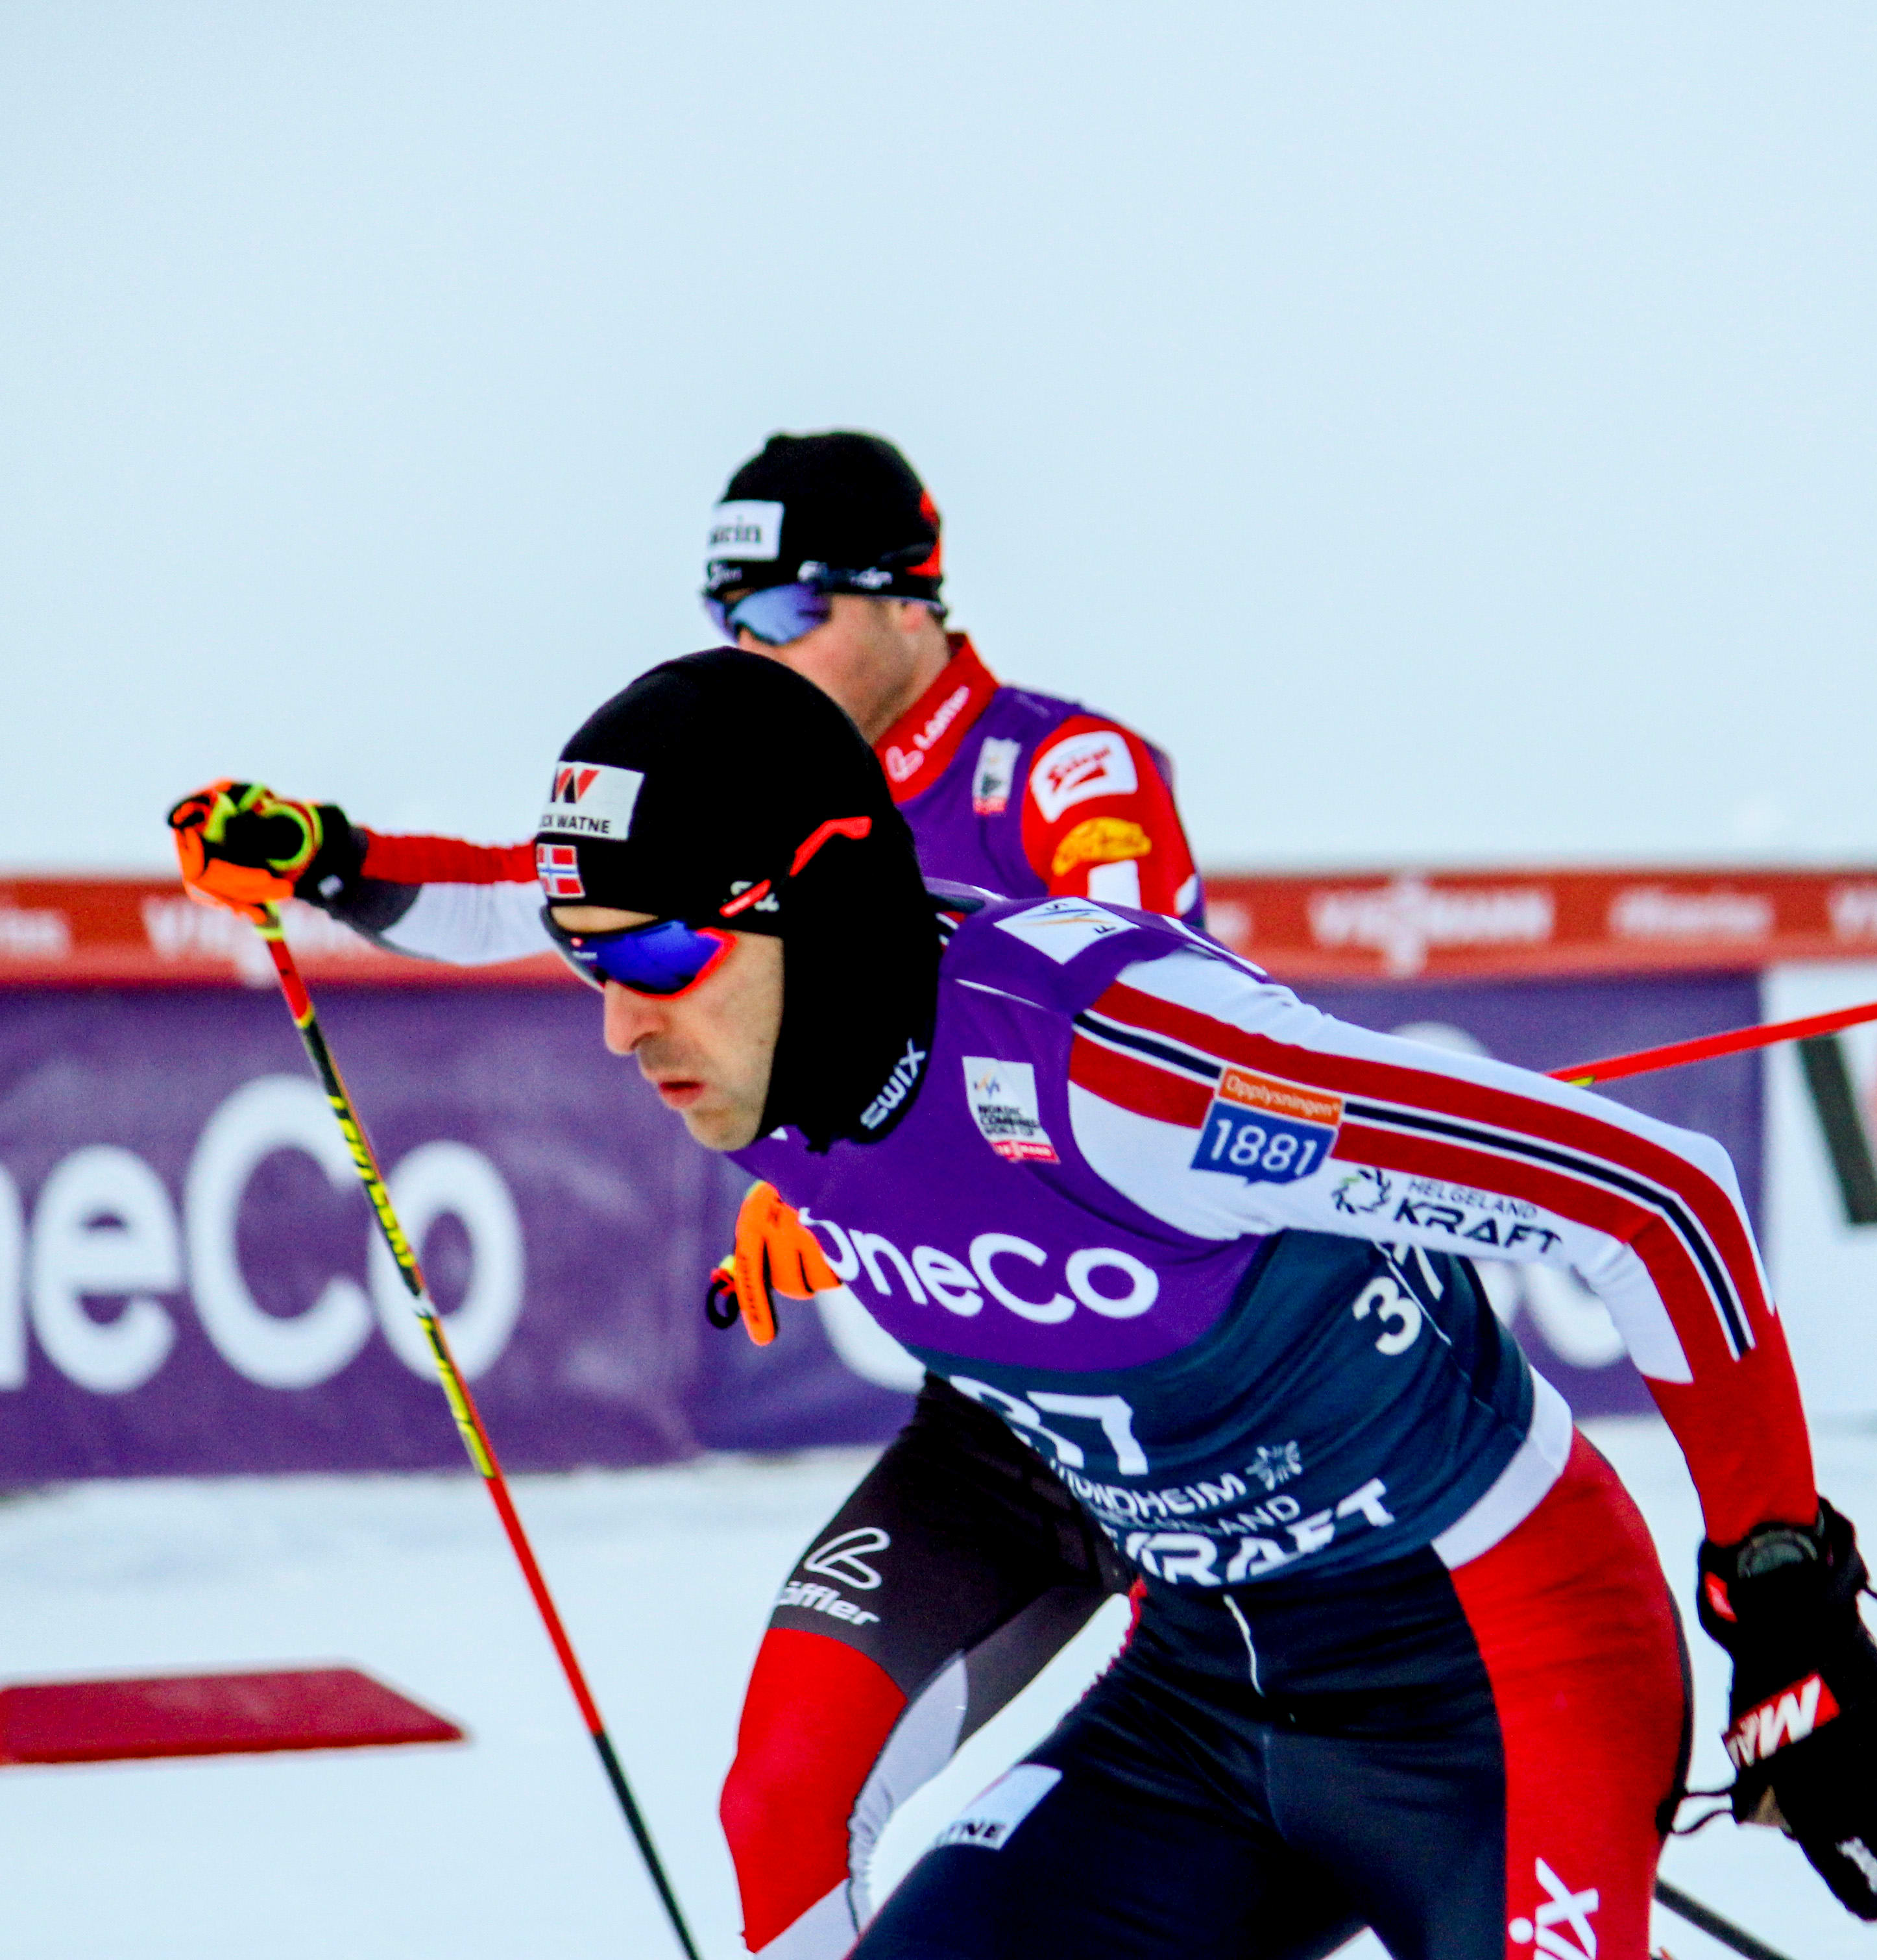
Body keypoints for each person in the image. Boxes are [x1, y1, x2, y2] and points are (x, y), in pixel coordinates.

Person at [496, 648, 1877, 1959]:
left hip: (1495, 1670)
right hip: (1199, 1691)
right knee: (788, 1801)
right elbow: (467, 895)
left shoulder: (1116, 1065)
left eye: (659, 954)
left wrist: (1787, 1606)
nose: (621, 1024)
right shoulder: (758, 1062)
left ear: (820, 902)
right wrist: (361, 859)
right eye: (586, 960)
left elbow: (1657, 1202)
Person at [167, 433, 1212, 1957]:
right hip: (1008, 1413)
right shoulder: (752, 777)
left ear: (911, 596)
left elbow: (1135, 1024)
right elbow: (532, 894)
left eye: (787, 608)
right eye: (727, 612)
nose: (750, 643)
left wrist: (876, 1168)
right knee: (782, 1796)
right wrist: (330, 857)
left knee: (1188, 1849)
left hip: (1205, 1400)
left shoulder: (1061, 771)